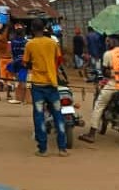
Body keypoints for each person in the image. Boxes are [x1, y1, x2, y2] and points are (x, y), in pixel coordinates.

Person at [22, 18, 68, 157]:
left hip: (38, 85)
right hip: (52, 84)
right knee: (58, 116)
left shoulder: (30, 44)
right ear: (44, 28)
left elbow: (25, 63)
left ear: (32, 29)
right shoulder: (53, 43)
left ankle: (43, 149)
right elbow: (58, 60)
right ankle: (62, 149)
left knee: (39, 117)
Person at [79, 35, 119, 143]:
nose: (107, 43)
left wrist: (110, 73)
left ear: (114, 41)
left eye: (108, 41)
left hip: (115, 85)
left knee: (99, 105)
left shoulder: (108, 54)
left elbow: (105, 72)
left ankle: (91, 134)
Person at [8, 25, 29, 105]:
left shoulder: (13, 42)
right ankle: (22, 100)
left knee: (16, 79)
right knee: (23, 81)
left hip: (15, 62)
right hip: (23, 62)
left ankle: (17, 97)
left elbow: (12, 53)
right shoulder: (26, 42)